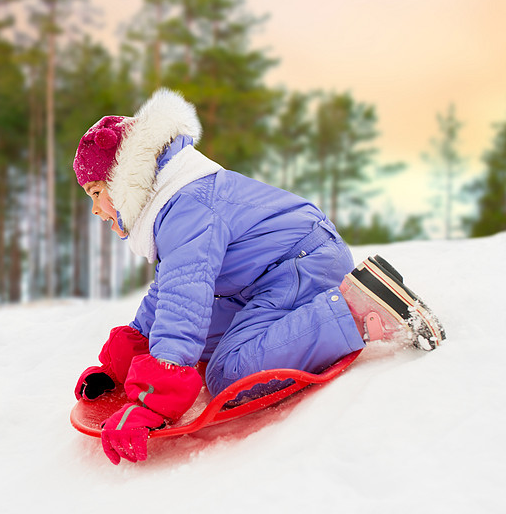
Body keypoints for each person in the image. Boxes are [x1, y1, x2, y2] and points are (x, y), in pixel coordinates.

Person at [72, 88, 446, 465]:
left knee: (229, 374)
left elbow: (185, 298)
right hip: (272, 271)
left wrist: (155, 399)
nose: (96, 209)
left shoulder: (186, 206)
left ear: (124, 179)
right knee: (199, 343)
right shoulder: (178, 200)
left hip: (299, 263)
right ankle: (326, 314)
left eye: (97, 192)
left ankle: (356, 311)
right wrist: (120, 367)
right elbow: (170, 293)